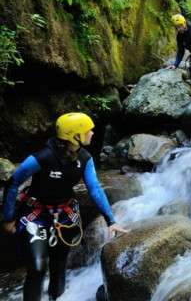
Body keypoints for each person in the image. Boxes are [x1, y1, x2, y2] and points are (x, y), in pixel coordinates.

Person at [1, 113, 129, 301]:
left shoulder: (85, 158)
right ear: (75, 135)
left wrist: (111, 220)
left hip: (64, 216)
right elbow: (12, 183)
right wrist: (8, 217)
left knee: (59, 265)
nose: (92, 133)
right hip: (35, 215)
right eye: (88, 130)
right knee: (37, 266)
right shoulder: (43, 156)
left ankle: (55, 297)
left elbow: (94, 189)